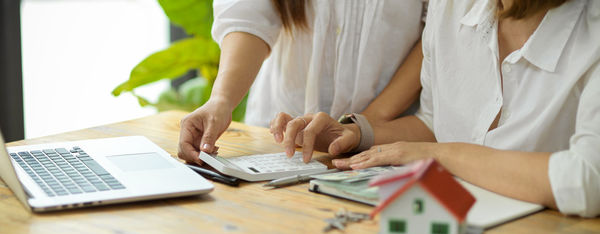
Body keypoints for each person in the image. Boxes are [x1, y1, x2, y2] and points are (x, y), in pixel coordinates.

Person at [275, 0, 600, 217]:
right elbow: (436, 122)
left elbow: (587, 180)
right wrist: (358, 134)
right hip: (448, 220)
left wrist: (440, 155)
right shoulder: (451, 8)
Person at [177, 0, 427, 165]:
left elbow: (433, 37)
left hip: (387, 138)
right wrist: (222, 100)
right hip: (280, 141)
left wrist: (361, 128)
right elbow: (248, 16)